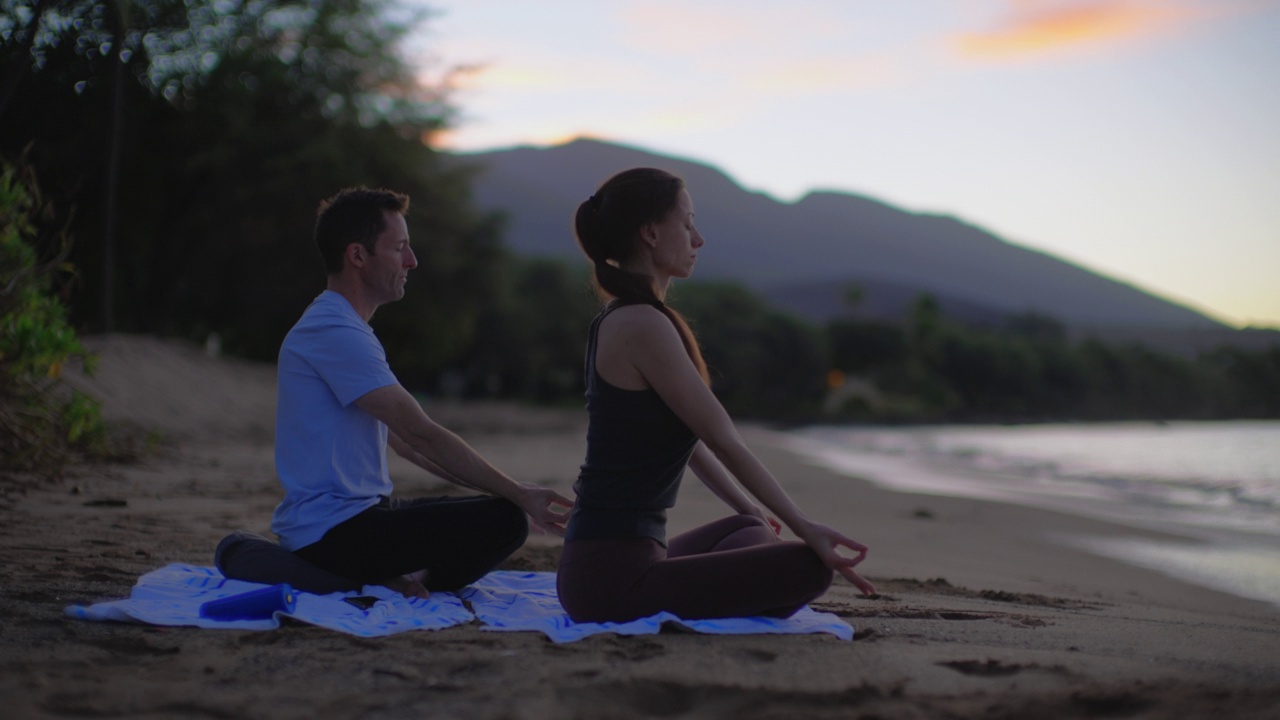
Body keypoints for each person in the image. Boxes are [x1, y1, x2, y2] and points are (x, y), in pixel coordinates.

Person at [216, 187, 572, 598]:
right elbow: (421, 432)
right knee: (505, 521)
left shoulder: (346, 329)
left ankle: (399, 579)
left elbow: (410, 447)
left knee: (499, 513)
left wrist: (507, 491)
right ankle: (375, 581)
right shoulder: (334, 331)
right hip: (334, 532)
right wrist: (520, 493)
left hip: (363, 517)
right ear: (357, 256)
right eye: (399, 247)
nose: (412, 261)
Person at [556, 168, 876, 623]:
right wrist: (807, 528)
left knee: (750, 527)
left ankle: (711, 569)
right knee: (809, 567)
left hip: (617, 562)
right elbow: (723, 438)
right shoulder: (641, 325)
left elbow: (689, 443)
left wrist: (754, 509)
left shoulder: (628, 317)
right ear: (650, 233)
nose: (698, 239)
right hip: (609, 579)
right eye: (687, 224)